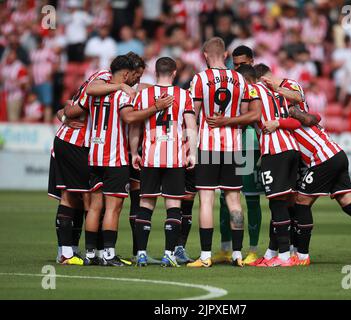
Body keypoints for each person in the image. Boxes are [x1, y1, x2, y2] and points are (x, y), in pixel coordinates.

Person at [264, 66, 351, 267]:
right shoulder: (288, 109)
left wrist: (278, 115)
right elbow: (313, 116)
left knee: (301, 201)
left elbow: (299, 105)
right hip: (335, 153)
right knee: (349, 203)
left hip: (322, 157)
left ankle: (302, 256)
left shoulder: (289, 102)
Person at [64, 54, 174, 266]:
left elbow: (85, 95)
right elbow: (129, 117)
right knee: (113, 208)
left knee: (95, 207)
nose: (135, 80)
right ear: (125, 74)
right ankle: (108, 254)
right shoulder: (123, 94)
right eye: (134, 76)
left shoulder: (97, 93)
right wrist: (156, 108)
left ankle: (89, 255)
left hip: (94, 154)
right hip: (115, 157)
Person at [186, 37, 260, 268]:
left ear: (205, 55)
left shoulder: (200, 78)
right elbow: (246, 115)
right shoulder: (240, 78)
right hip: (234, 146)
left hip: (207, 146)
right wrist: (230, 122)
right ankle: (238, 254)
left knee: (206, 201)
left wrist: (191, 146)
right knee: (235, 202)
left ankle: (206, 255)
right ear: (226, 55)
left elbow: (193, 115)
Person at [131, 57, 197, 267]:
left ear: (155, 72)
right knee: (174, 205)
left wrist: (134, 152)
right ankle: (169, 253)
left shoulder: (144, 95)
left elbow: (135, 126)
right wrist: (192, 153)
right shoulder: (183, 95)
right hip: (175, 158)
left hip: (150, 156)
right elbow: (191, 127)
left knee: (146, 204)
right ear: (175, 73)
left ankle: (141, 253)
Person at [214, 45, 264, 266]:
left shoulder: (259, 86)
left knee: (251, 198)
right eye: (235, 64)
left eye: (242, 64)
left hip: (248, 143)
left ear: (251, 62)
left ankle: (252, 249)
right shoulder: (230, 82)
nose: (238, 67)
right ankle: (226, 249)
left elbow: (255, 117)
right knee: (224, 200)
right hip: (226, 144)